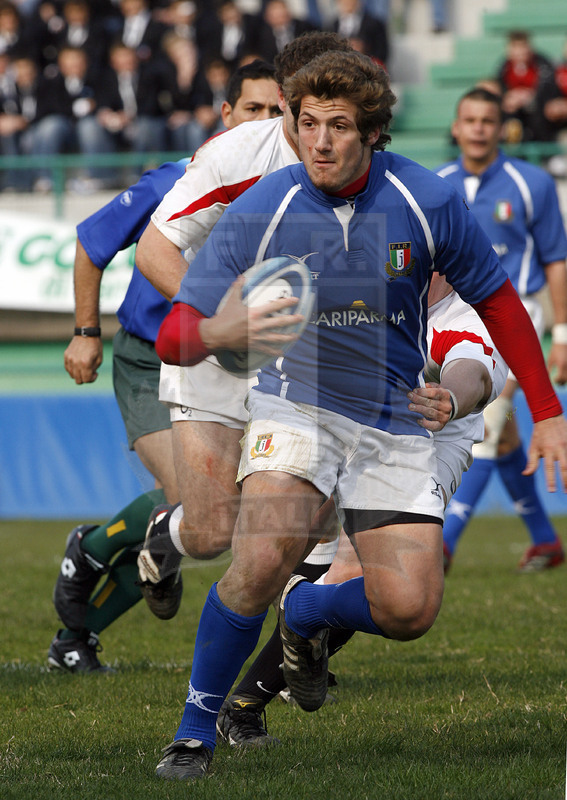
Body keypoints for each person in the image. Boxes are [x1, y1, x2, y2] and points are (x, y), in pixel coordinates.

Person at [147, 50, 567, 780]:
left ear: (372, 132)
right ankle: (194, 731)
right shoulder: (265, 204)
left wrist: (548, 410)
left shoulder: (426, 199)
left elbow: (496, 301)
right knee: (259, 560)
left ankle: (305, 617)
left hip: (393, 417)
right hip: (297, 404)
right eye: (306, 123)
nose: (318, 141)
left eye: (337, 125)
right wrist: (221, 330)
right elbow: (175, 335)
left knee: (408, 611)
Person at [47, 60, 283, 674]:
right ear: (225, 115)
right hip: (152, 360)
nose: (264, 122)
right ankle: (92, 550)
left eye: (276, 111)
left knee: (226, 515)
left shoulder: (290, 192)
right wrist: (84, 332)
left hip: (235, 365)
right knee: (191, 505)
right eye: (252, 109)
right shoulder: (176, 182)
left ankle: (78, 631)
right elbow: (91, 243)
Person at [216, 271, 509, 742]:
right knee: (296, 550)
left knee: (370, 581)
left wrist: (451, 398)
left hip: (430, 444)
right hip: (357, 422)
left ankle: (265, 672)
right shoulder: (366, 284)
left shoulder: (468, 314)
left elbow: (471, 368)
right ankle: (254, 687)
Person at [437, 87, 567, 573]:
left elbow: (556, 258)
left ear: (501, 128)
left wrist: (564, 334)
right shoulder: (437, 184)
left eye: (488, 120)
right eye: (469, 119)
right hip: (456, 320)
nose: (477, 128)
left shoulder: (530, 182)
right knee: (506, 436)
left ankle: (443, 545)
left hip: (520, 316)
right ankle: (546, 541)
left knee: (489, 427)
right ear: (455, 127)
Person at [495, 30, 555, 143]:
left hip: (539, 114)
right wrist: (509, 98)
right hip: (514, 113)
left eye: (523, 47)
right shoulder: (503, 68)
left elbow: (549, 90)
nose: (520, 52)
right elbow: (500, 89)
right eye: (516, 47)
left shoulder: (543, 65)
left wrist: (531, 98)